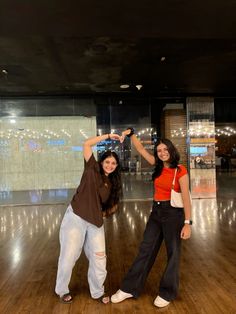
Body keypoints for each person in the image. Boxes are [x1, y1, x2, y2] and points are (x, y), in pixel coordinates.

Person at [111, 128, 192, 308]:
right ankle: (129, 288)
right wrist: (131, 134)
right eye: (159, 150)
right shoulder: (157, 165)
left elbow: (186, 197)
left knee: (173, 253)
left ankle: (167, 292)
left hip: (174, 215)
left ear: (171, 150)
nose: (162, 153)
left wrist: (188, 223)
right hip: (156, 212)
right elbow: (140, 150)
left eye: (165, 150)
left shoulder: (180, 170)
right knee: (146, 249)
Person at [55, 133, 123, 304]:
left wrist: (102, 213)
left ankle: (97, 292)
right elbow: (86, 144)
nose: (110, 165)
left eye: (114, 163)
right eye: (107, 161)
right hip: (76, 217)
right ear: (101, 162)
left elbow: (112, 205)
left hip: (95, 222)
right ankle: (62, 290)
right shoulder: (91, 168)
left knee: (100, 258)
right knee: (69, 256)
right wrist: (108, 136)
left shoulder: (113, 183)